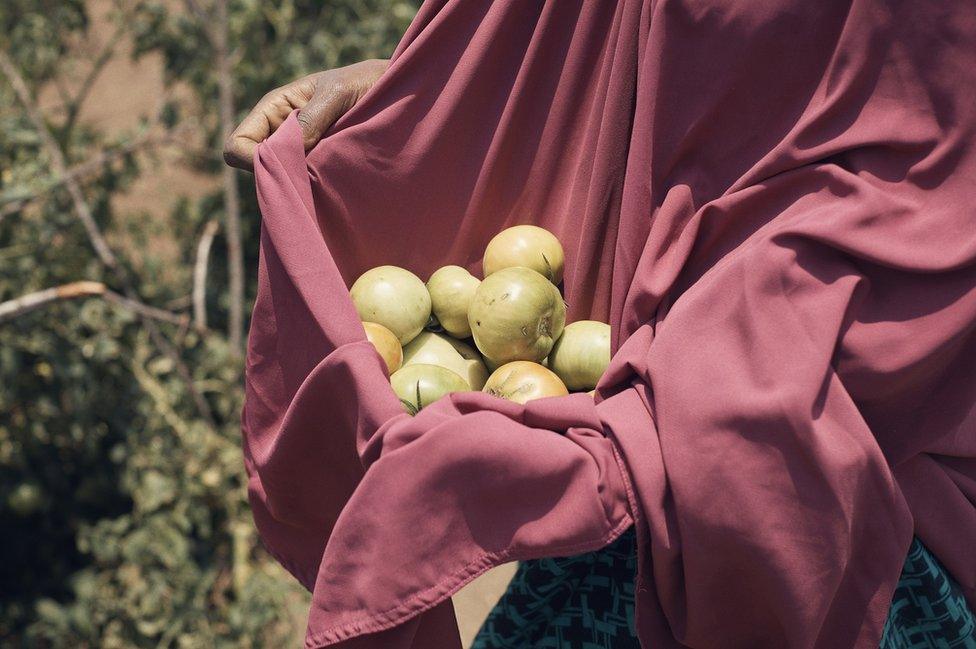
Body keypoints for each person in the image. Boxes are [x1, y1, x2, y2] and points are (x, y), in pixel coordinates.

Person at [225, 43, 976, 646]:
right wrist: (423, 98)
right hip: (626, 538)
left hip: (865, 542)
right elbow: (625, 51)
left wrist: (683, 407)